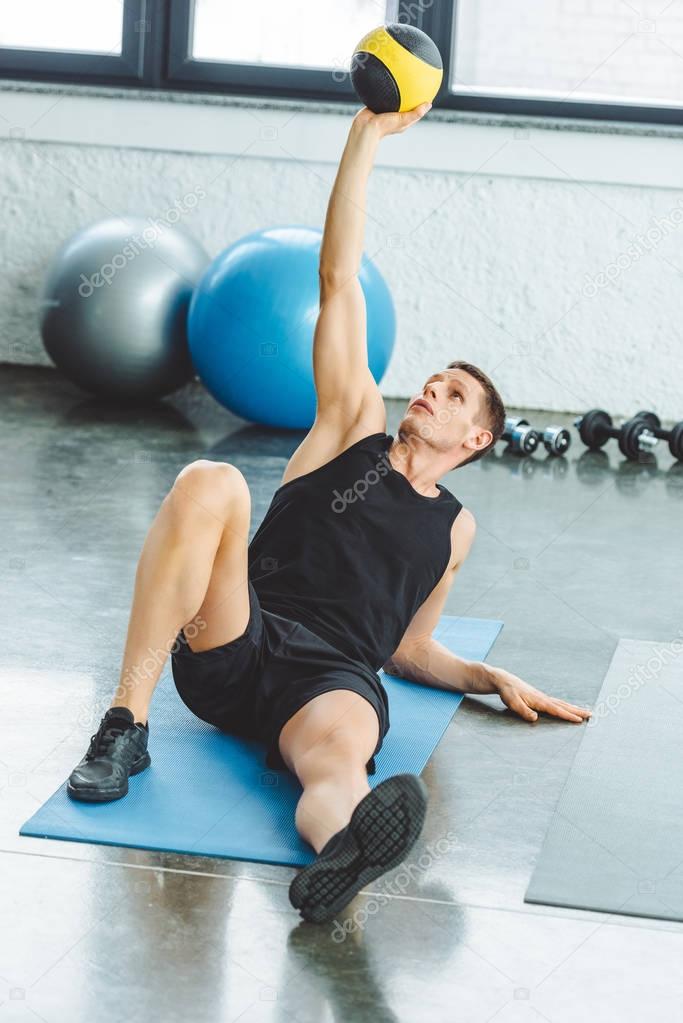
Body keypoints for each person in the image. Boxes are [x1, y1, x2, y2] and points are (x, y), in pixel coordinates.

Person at [67, 102, 591, 924]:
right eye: (432, 377)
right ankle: (122, 724)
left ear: (477, 435)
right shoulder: (350, 427)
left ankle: (336, 864)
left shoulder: (454, 528)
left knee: (341, 771)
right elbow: (337, 278)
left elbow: (409, 643)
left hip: (333, 677)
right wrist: (365, 137)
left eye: (452, 393)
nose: (429, 388)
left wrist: (486, 676)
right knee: (213, 480)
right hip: (238, 634)